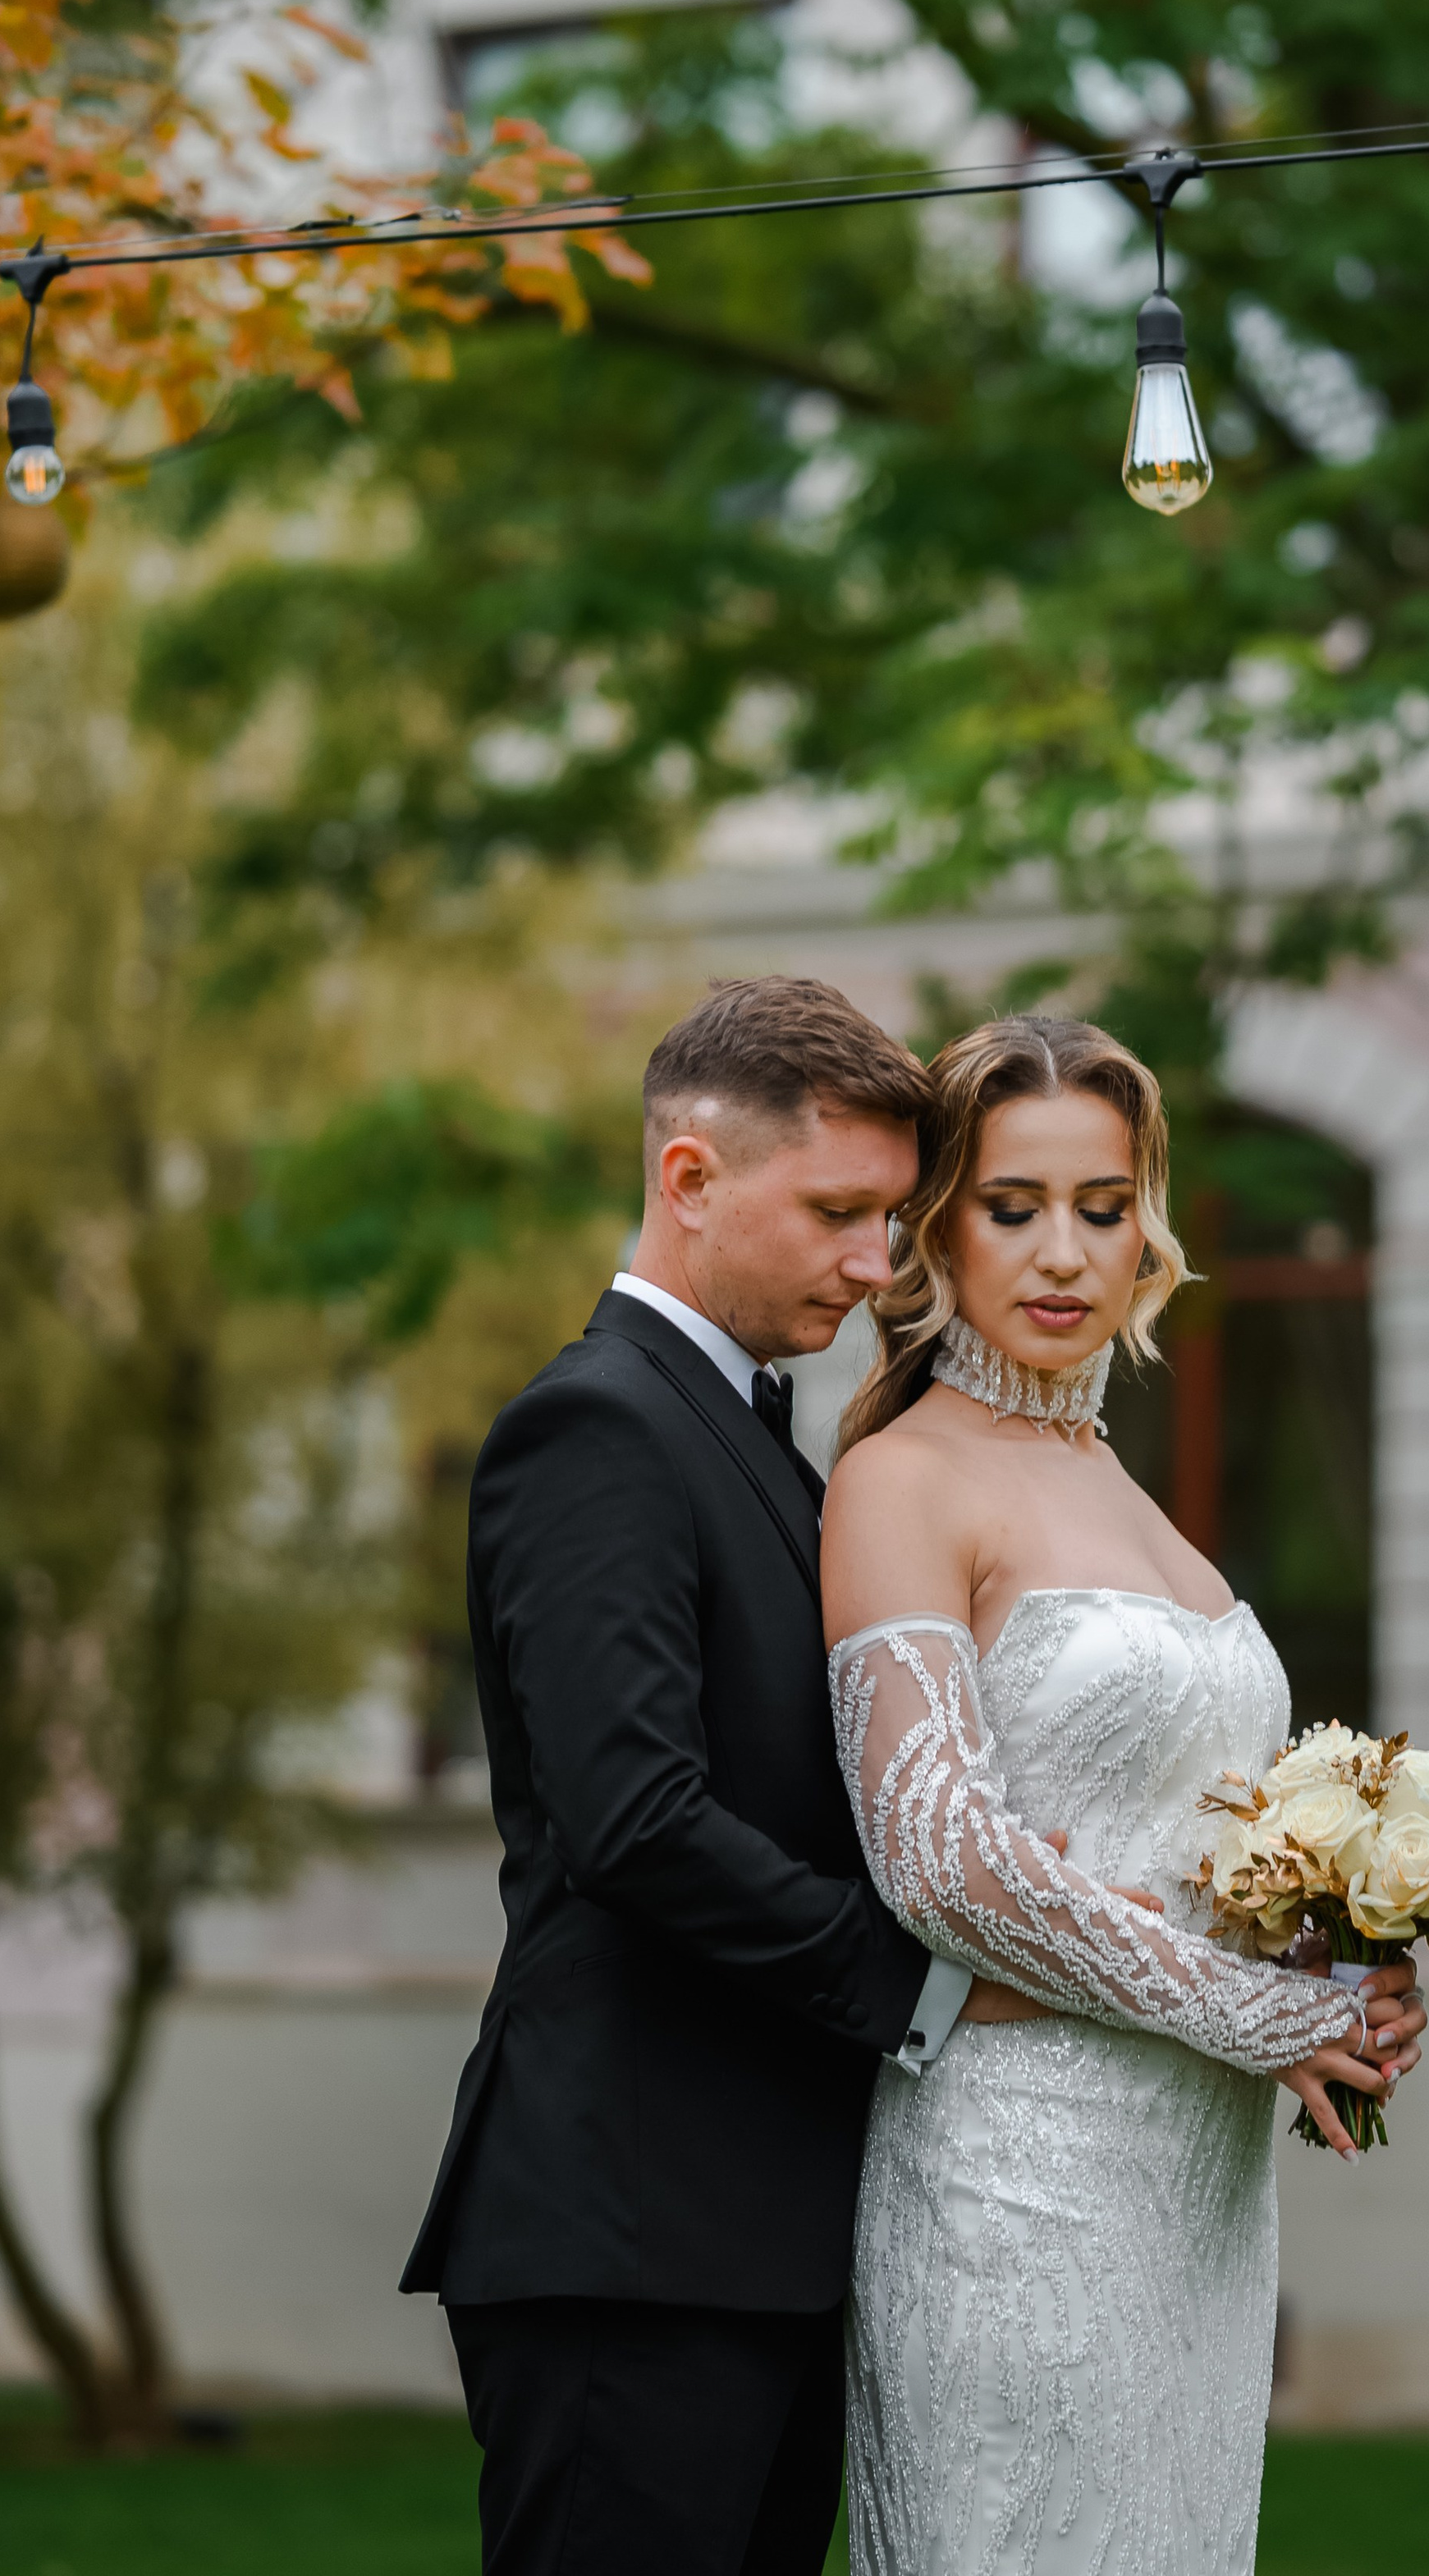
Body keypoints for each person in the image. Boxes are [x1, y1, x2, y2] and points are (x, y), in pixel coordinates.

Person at [826, 1013, 1425, 2576]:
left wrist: (1334, 1975)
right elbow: (937, 1859)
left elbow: (1196, 1847)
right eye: (1013, 1205)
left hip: (1198, 2202)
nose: (1063, 1252)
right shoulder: (904, 1479)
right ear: (937, 1222)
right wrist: (1251, 2015)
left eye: (1102, 1207)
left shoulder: (1124, 1488)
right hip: (1014, 2186)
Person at [404, 974, 972, 2576]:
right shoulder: (591, 1428)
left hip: (751, 2232)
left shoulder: (756, 1446)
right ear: (689, 1180)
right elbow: (634, 1818)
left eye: (891, 1220)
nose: (876, 1266)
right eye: (842, 1213)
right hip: (629, 2234)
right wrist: (929, 1987)